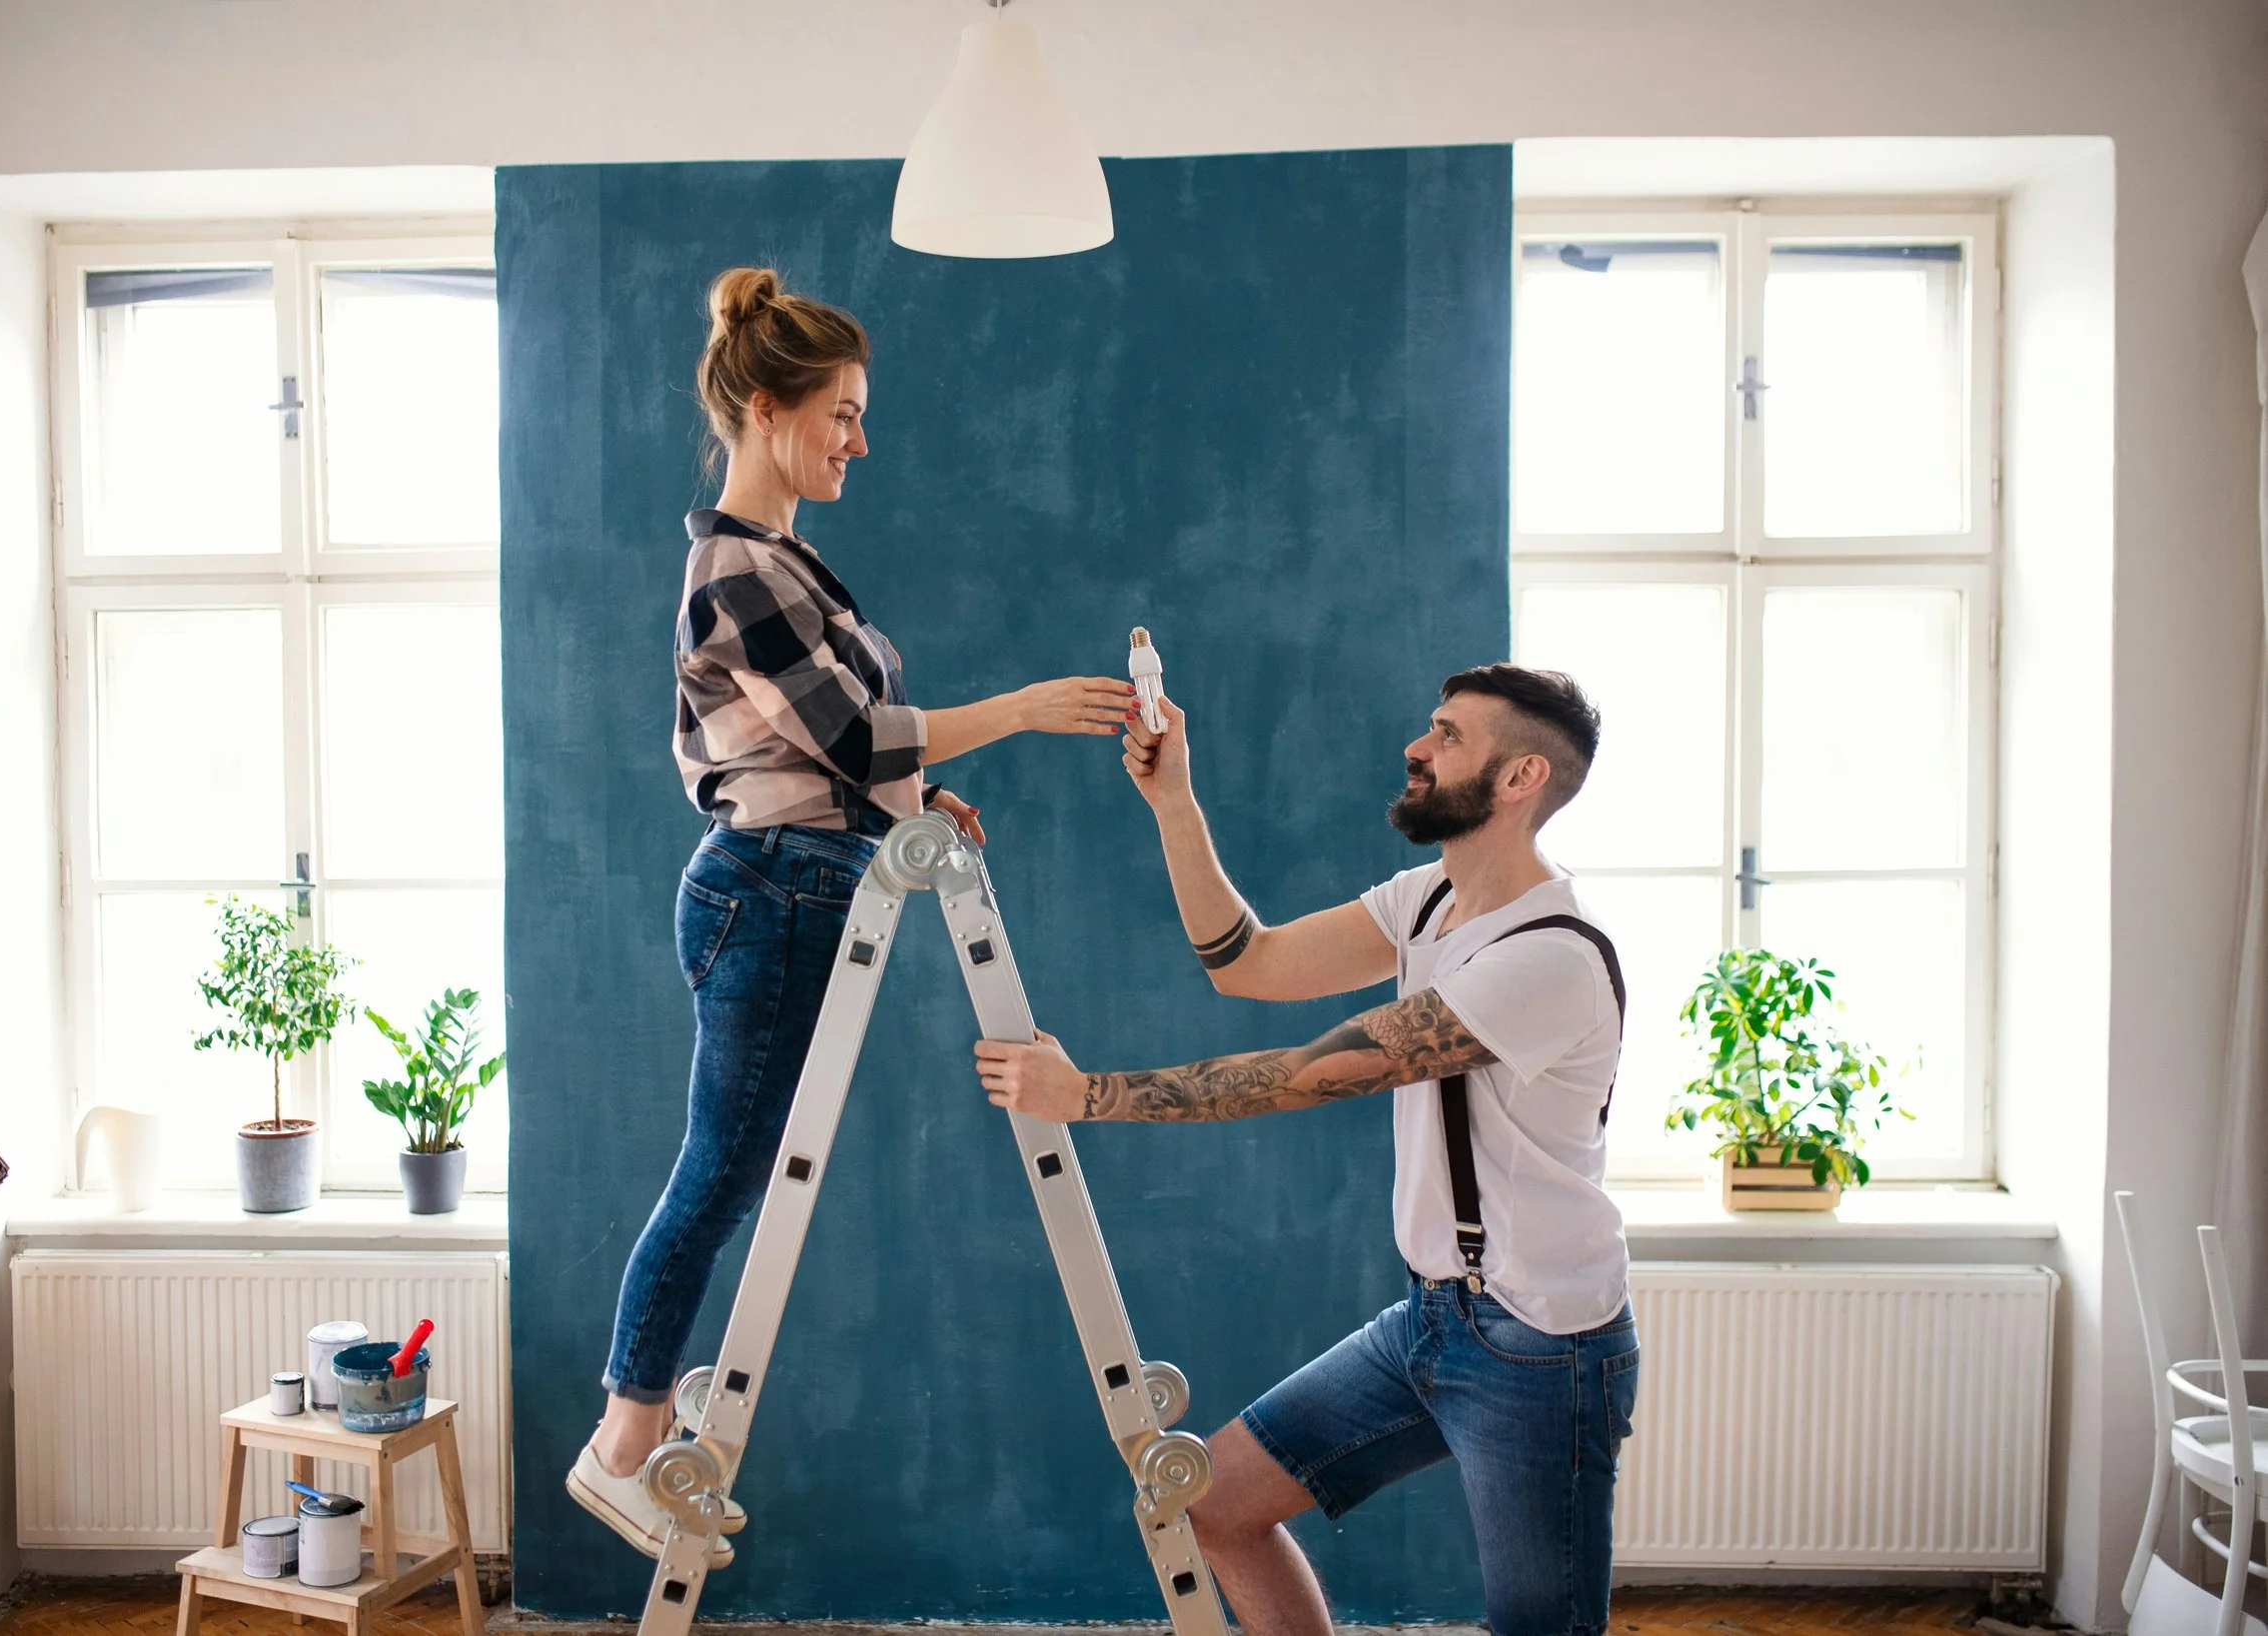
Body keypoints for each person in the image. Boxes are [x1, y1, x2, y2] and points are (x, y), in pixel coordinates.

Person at [569, 267, 1141, 1563]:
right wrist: (1020, 710)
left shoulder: (783, 562)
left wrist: (914, 797)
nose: (858, 440)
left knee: (736, 1167)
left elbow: (835, 748)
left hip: (800, 876)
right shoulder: (738, 568)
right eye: (842, 413)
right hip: (770, 885)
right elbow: (858, 733)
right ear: (767, 410)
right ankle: (621, 1447)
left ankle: (636, 1433)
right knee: (722, 1172)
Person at [972, 664, 1637, 1636]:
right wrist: (1173, 800)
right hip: (1432, 1317)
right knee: (1211, 1503)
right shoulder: (1430, 900)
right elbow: (1249, 962)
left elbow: (1312, 1071)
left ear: (1520, 777)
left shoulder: (1550, 958)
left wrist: (1090, 1095)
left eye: (1449, 735)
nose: (1416, 746)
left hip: (1542, 1344)